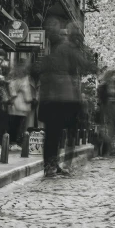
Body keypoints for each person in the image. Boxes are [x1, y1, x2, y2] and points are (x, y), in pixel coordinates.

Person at [32, 11, 96, 178]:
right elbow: (82, 63)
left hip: (52, 98)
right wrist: (92, 66)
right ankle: (53, 165)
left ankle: (52, 164)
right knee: (58, 132)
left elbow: (41, 69)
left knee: (55, 133)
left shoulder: (56, 49)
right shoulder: (63, 48)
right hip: (60, 98)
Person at [8, 62, 36, 152]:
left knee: (13, 124)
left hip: (14, 105)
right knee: (19, 125)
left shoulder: (13, 79)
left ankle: (11, 143)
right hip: (21, 105)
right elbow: (26, 92)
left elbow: (11, 90)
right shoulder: (24, 80)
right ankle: (14, 143)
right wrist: (30, 100)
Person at [97, 69, 115, 156]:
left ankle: (113, 147)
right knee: (108, 127)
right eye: (114, 75)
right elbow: (101, 96)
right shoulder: (104, 85)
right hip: (107, 107)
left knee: (114, 127)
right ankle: (108, 148)